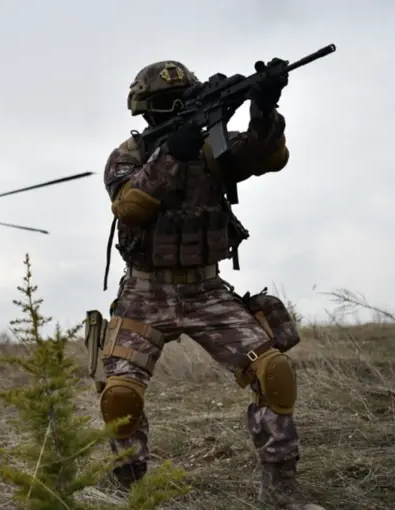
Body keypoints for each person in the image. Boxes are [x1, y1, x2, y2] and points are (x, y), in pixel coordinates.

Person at [98, 59, 324, 509]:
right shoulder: (130, 156)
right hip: (145, 292)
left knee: (273, 372)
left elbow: (268, 157)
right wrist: (171, 155)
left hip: (206, 290)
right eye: (164, 105)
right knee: (120, 394)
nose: (172, 110)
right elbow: (130, 207)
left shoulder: (212, 149)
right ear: (146, 111)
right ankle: (130, 494)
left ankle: (281, 494)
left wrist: (264, 107)